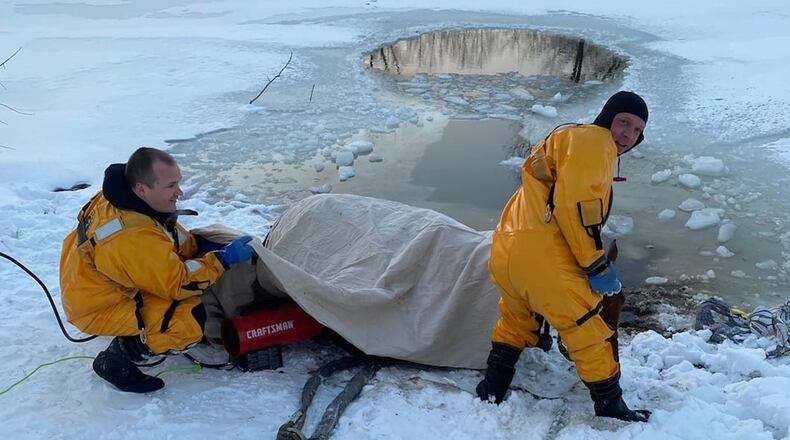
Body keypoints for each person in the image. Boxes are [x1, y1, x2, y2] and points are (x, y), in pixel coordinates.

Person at [476, 91, 652, 422]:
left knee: (515, 319)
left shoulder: (567, 137)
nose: (628, 134)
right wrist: (595, 263)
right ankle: (610, 404)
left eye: (637, 130)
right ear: (606, 118)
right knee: (586, 327)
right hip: (544, 257)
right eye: (624, 122)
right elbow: (578, 209)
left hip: (507, 249)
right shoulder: (594, 143)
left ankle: (492, 387)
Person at [59, 147, 256, 393]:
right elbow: (179, 283)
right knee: (188, 321)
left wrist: (197, 247)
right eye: (171, 186)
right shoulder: (132, 238)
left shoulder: (125, 197)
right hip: (98, 305)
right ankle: (117, 359)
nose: (180, 192)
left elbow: (164, 238)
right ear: (142, 188)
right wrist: (221, 261)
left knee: (190, 272)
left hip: (95, 283)